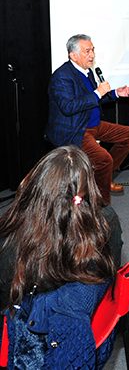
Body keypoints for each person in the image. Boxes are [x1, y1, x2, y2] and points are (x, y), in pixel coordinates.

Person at [0, 146, 117, 368]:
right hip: (97, 332)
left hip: (37, 343)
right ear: (88, 188)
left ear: (36, 185)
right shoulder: (107, 222)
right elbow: (112, 270)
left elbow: (7, 302)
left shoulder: (12, 242)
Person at [45, 34, 129, 205]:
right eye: (87, 51)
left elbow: (95, 97)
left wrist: (116, 93)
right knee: (104, 160)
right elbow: (68, 107)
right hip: (76, 129)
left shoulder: (87, 72)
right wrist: (98, 93)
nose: (92, 55)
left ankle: (104, 177)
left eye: (93, 50)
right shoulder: (62, 76)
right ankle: (101, 206)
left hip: (93, 124)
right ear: (73, 55)